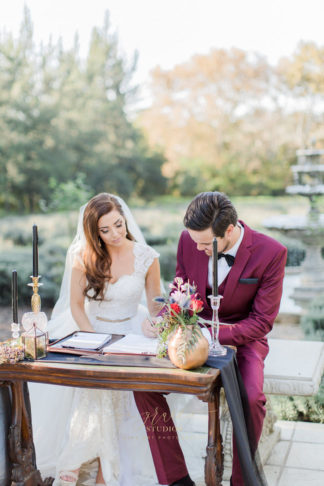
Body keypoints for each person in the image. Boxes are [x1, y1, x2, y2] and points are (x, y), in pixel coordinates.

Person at [139, 191, 287, 486]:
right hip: (190, 330)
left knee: (253, 398)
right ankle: (176, 478)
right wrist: (167, 319)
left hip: (244, 339)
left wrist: (210, 334)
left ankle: (241, 481)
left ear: (229, 231)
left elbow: (261, 322)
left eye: (206, 244)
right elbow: (181, 288)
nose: (198, 248)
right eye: (195, 242)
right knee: (142, 384)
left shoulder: (272, 253)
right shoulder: (188, 241)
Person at [29, 193, 163, 486]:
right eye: (105, 230)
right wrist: (94, 341)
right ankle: (91, 466)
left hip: (130, 333)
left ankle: (87, 466)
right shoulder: (83, 256)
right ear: (94, 232)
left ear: (124, 218)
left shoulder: (147, 257)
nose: (115, 234)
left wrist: (155, 322)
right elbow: (77, 306)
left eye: (118, 224)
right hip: (88, 330)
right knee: (95, 389)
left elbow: (156, 305)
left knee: (118, 397)